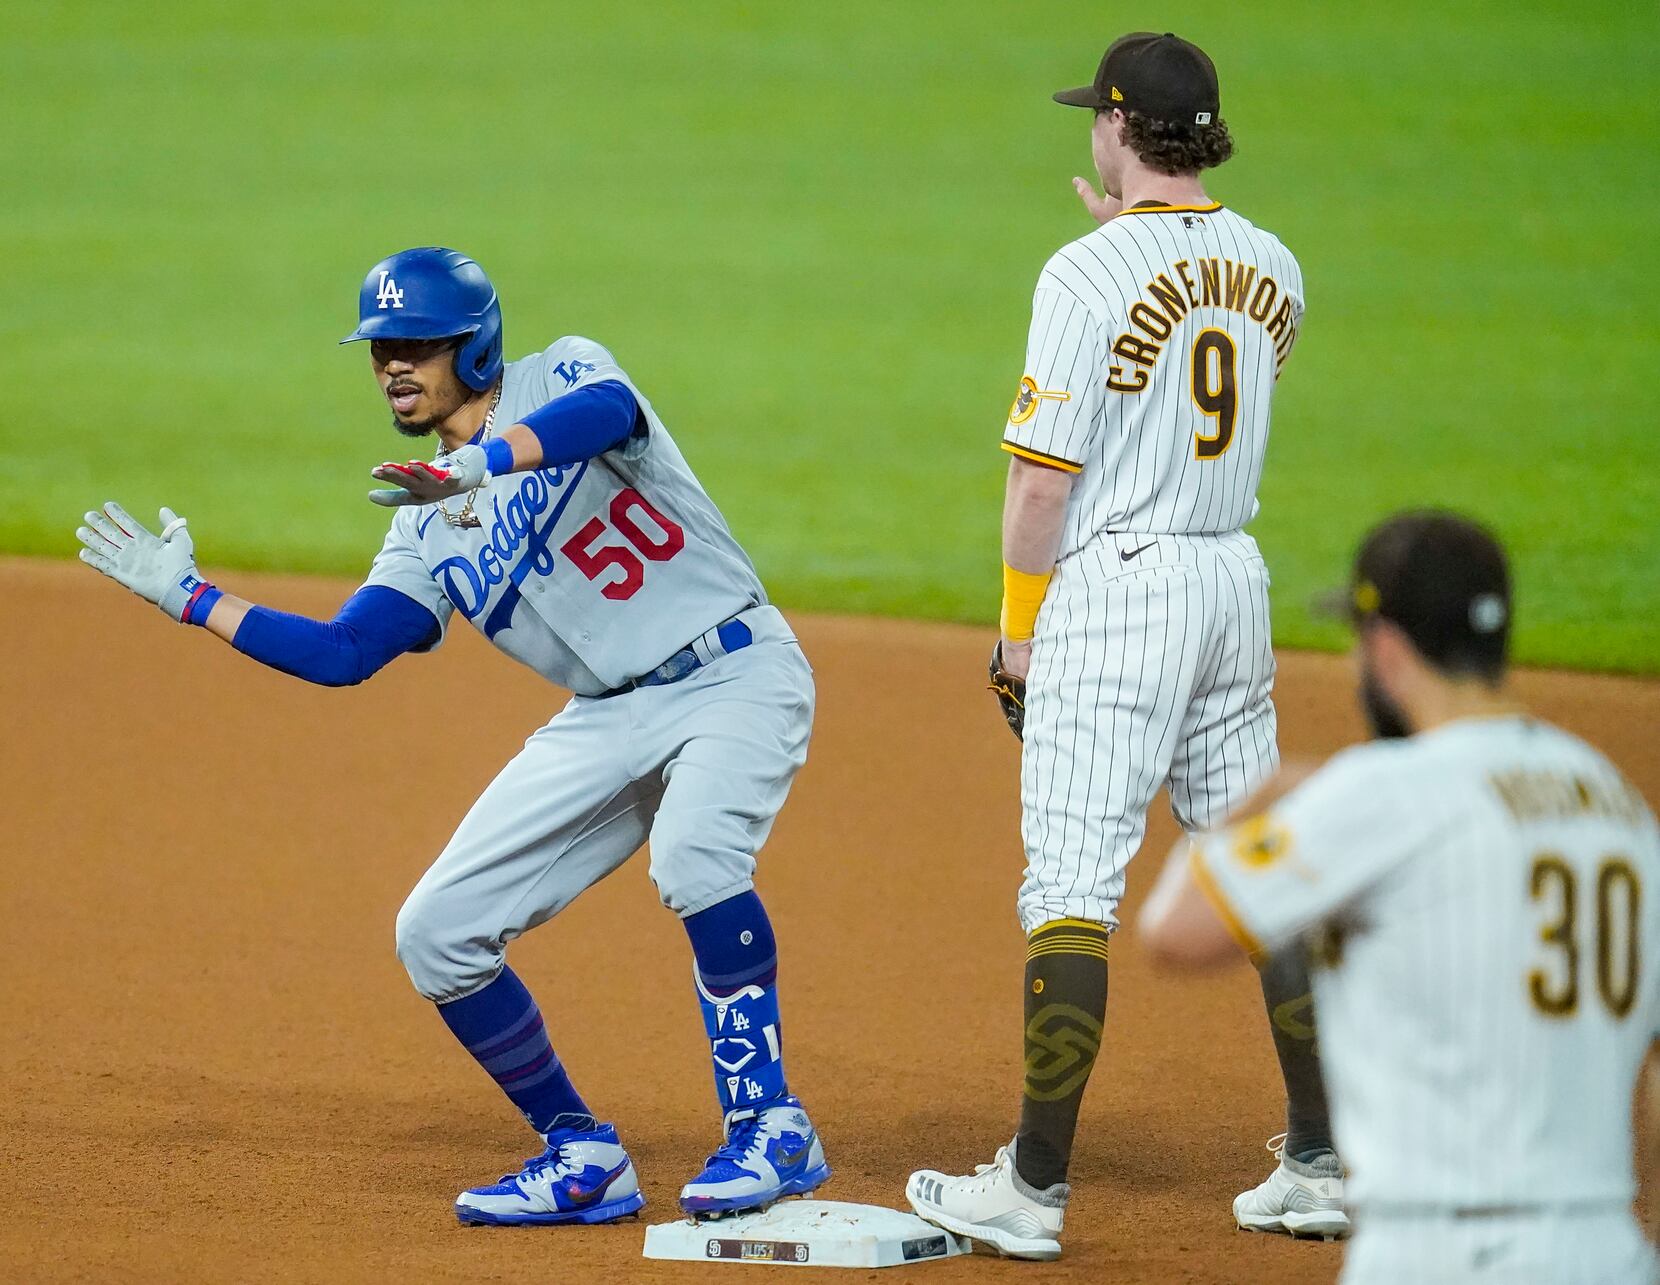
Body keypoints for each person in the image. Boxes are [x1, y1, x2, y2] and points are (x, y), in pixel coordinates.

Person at [75, 247, 831, 1226]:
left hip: (734, 669)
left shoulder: (560, 373)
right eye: (381, 348)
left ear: (474, 350)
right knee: (436, 932)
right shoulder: (423, 527)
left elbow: (606, 419)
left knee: (694, 856)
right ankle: (581, 1151)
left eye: (418, 346)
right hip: (609, 717)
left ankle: (772, 1123)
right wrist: (191, 597)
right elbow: (346, 652)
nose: (394, 365)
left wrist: (479, 460)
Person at [905, 33, 1334, 1260]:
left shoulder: (1079, 275)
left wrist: (1016, 633)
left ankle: (1030, 1190)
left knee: (1071, 888)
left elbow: (1042, 489)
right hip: (1228, 585)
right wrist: (1128, 241)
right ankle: (1318, 1159)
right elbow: (1202, 336)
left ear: (1113, 125)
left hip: (1117, 593)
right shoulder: (1275, 262)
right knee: (1257, 862)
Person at [1139, 510, 1660, 1284]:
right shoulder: (1613, 801)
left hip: (1442, 1253)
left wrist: (1258, 800)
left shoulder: (1384, 793)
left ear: (1386, 647)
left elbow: (1171, 933)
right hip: (1609, 1252)